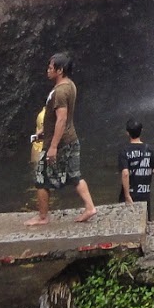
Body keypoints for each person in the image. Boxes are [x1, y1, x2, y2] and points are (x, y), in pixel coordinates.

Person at [28, 51, 96, 226]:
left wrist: (52, 147)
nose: (47, 70)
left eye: (51, 68)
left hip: (59, 143)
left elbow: (61, 119)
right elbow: (56, 119)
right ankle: (90, 207)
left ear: (60, 70)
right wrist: (42, 132)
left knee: (40, 179)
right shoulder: (70, 85)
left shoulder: (59, 92)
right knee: (75, 175)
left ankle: (42, 217)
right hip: (71, 139)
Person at [119, 119, 154, 213]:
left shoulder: (125, 150)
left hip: (131, 192)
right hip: (144, 192)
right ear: (142, 130)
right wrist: (146, 171)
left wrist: (127, 196)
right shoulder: (149, 149)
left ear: (127, 133)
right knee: (145, 218)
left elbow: (125, 173)